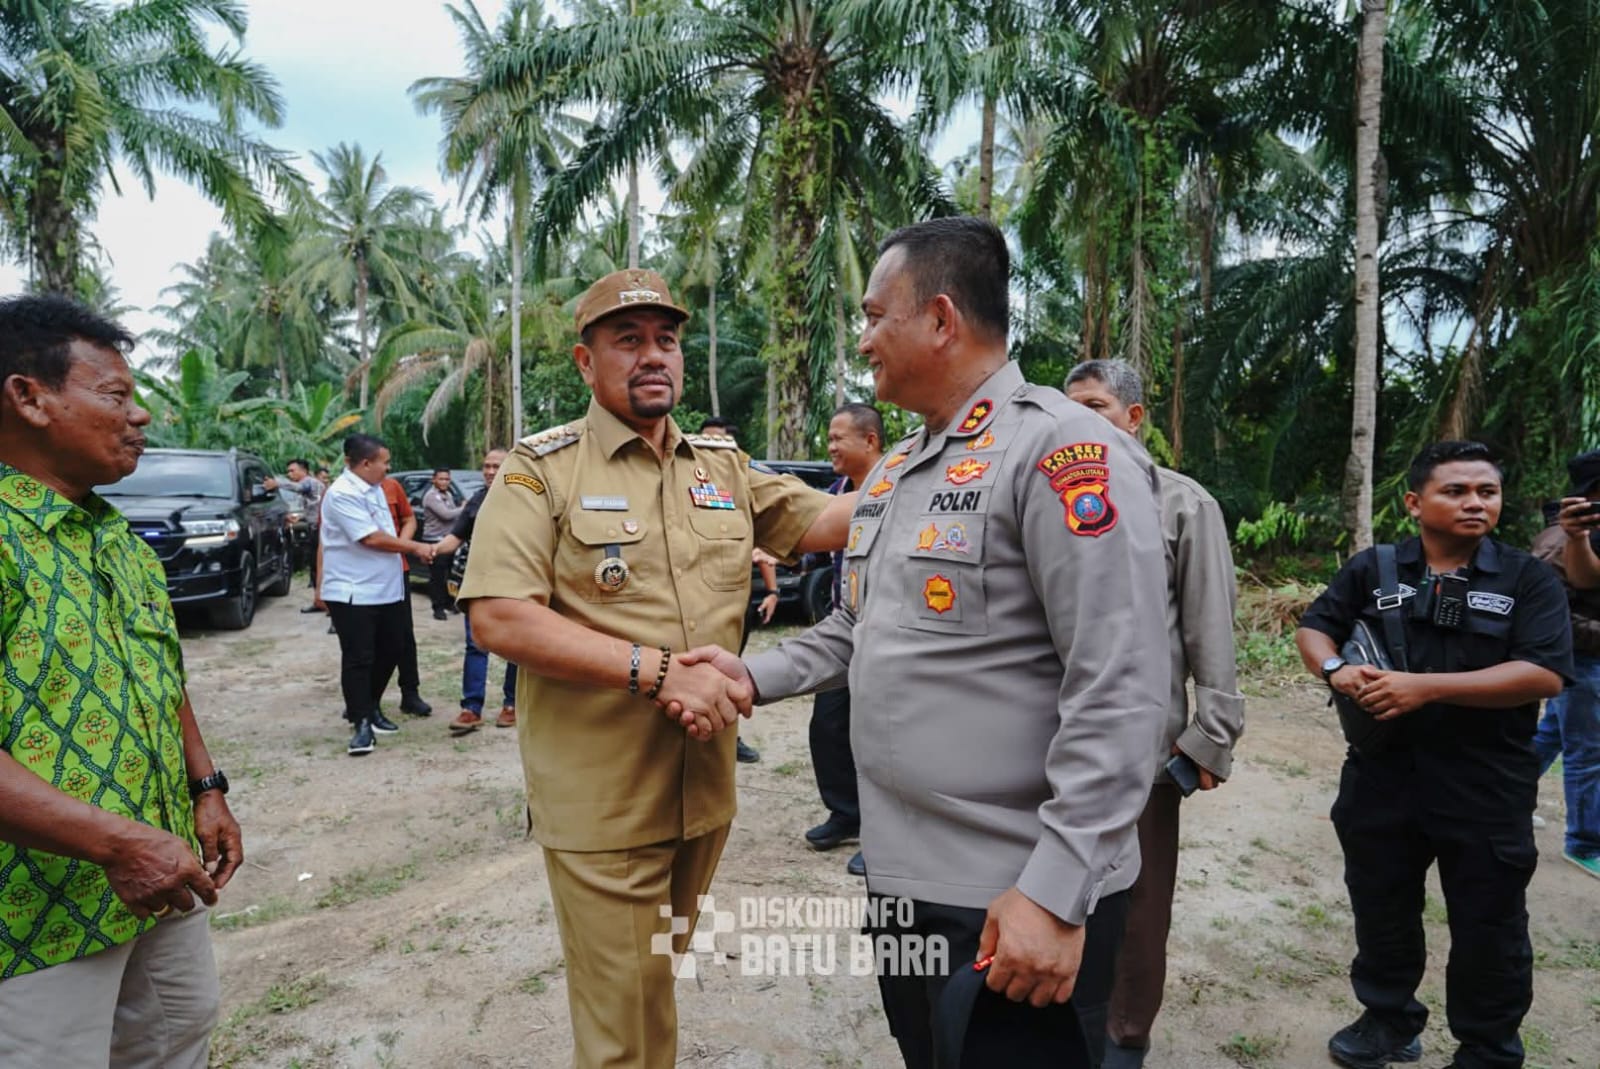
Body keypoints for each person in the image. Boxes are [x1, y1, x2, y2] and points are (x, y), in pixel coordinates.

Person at [683, 217, 1170, 1069]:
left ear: (941, 319)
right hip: (904, 878)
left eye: (877, 316)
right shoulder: (901, 466)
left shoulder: (1064, 450)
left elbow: (1121, 687)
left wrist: (1056, 892)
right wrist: (751, 676)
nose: (863, 339)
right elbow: (856, 625)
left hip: (1012, 892)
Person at [457, 267, 851, 1069]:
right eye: (628, 340)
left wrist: (949, 454)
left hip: (700, 791)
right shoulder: (542, 469)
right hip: (604, 798)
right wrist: (660, 671)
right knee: (619, 1028)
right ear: (585, 361)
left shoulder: (720, 466)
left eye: (666, 340)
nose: (652, 356)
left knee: (650, 990)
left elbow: (827, 521)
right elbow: (498, 613)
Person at [0, 293, 243, 1067]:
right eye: (115, 395)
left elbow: (161, 674)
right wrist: (116, 843)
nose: (140, 415)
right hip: (36, 917)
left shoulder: (120, 541)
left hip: (159, 879)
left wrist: (206, 784)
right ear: (29, 397)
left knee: (178, 1035)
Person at [1295, 440, 1573, 1069]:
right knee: (1381, 906)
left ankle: (1488, 1049)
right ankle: (1388, 1020)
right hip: (1382, 776)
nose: (1476, 502)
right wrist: (1336, 669)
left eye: (1487, 492)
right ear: (1415, 503)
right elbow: (1316, 628)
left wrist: (1426, 688)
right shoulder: (1374, 569)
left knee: (1489, 924)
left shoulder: (1528, 578)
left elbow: (1543, 674)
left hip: (1486, 784)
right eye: (1457, 491)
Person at [1064, 359, 1245, 1069]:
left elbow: (1211, 628)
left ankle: (1124, 1036)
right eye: (1070, 408)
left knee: (1138, 903)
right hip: (1053, 736)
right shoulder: (1048, 496)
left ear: (1134, 418)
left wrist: (1209, 737)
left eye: (1096, 407)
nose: (1079, 421)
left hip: (1141, 748)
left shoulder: (1181, 504)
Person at [800, 401, 885, 879]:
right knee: (828, 726)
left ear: (870, 441)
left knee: (877, 736)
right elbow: (814, 554)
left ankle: (882, 834)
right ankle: (846, 813)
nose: (830, 446)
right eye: (829, 438)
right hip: (841, 630)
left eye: (838, 438)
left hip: (886, 634)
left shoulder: (898, 487)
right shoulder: (834, 494)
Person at [319, 434, 437, 756]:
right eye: (385, 462)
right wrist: (416, 547)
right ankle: (360, 723)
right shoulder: (342, 493)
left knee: (393, 647)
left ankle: (370, 705)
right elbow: (370, 538)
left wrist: (407, 546)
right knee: (359, 657)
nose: (388, 467)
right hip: (353, 590)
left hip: (387, 587)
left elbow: (396, 527)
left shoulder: (374, 488)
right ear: (365, 463)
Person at [1531, 448, 1600, 879]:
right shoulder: (1565, 539)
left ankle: (1507, 796)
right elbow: (1556, 615)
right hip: (1581, 659)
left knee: (1552, 736)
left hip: (1582, 657)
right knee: (1588, 751)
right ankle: (1584, 843)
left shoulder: (1579, 532)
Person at [429, 448, 519, 735]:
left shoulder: (526, 499)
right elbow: (455, 538)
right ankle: (471, 709)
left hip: (515, 584)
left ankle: (512, 705)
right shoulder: (476, 501)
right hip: (478, 583)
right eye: (486, 466)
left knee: (516, 646)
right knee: (475, 644)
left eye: (497, 466)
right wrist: (430, 549)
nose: (490, 472)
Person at [697, 415, 770, 766]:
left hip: (734, 598)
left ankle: (729, 736)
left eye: (716, 441)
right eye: (703, 439)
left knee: (728, 667)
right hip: (694, 599)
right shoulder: (683, 481)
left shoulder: (745, 485)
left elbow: (764, 545)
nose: (707, 447)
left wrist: (772, 591)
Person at [379, 474, 432, 718]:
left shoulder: (392, 486)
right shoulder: (344, 492)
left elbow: (408, 518)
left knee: (404, 635)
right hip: (362, 575)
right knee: (367, 641)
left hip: (397, 570)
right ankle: (364, 699)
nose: (386, 467)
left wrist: (400, 544)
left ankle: (410, 693)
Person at [421, 468, 464, 621]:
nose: (444, 482)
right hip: (435, 541)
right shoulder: (431, 496)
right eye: (441, 479)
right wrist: (464, 508)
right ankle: (438, 608)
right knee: (437, 577)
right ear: (434, 479)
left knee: (449, 574)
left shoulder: (448, 495)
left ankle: (448, 602)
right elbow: (446, 515)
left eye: (447, 479)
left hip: (448, 540)